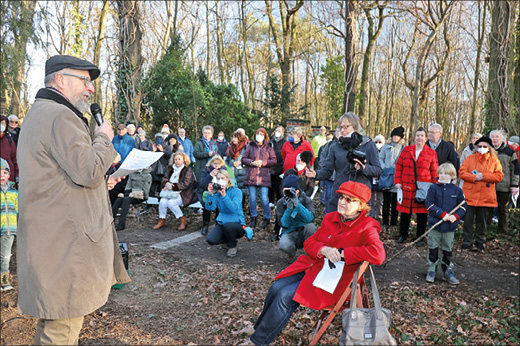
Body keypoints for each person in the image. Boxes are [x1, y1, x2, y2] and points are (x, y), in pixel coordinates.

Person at [16, 54, 129, 345]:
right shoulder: (60, 116)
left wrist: (102, 183)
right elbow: (88, 170)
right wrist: (103, 138)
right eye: (85, 81)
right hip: (63, 247)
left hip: (51, 241)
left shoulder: (39, 114)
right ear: (61, 80)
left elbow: (59, 180)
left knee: (54, 324)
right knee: (61, 331)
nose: (90, 89)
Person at [249, 181, 385, 346]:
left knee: (285, 296)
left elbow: (378, 254)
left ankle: (258, 341)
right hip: (312, 266)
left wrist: (343, 254)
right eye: (341, 197)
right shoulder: (330, 218)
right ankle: (259, 329)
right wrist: (323, 249)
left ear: (361, 206)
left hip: (333, 279)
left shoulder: (367, 226)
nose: (342, 202)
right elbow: (309, 244)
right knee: (276, 287)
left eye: (349, 200)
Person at [306, 112, 382, 213]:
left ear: (355, 126)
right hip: (340, 193)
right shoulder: (335, 146)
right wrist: (316, 173)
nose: (343, 130)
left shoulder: (368, 145)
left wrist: (364, 168)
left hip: (359, 197)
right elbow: (327, 170)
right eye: (341, 127)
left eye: (346, 127)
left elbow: (378, 170)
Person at [395, 127, 439, 245]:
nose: (419, 138)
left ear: (426, 138)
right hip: (406, 187)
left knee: (422, 215)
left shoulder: (431, 153)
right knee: (405, 213)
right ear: (414, 137)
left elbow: (434, 172)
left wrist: (435, 188)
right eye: (417, 135)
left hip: (423, 189)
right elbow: (399, 167)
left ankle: (419, 238)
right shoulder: (406, 150)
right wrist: (397, 182)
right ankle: (403, 235)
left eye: (422, 136)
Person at [424, 163, 466, 284]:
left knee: (447, 249)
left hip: (449, 227)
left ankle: (447, 269)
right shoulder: (433, 188)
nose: (442, 176)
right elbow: (429, 204)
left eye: (446, 174)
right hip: (435, 224)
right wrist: (442, 214)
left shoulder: (457, 190)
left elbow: (463, 206)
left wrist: (455, 216)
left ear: (452, 176)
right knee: (433, 248)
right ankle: (431, 269)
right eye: (441, 173)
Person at [459, 136, 503, 251]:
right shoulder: (469, 159)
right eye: (479, 146)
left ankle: (480, 241)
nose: (482, 148)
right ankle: (467, 241)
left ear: (489, 148)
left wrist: (484, 176)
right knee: (468, 221)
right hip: (470, 195)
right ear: (476, 147)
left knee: (482, 222)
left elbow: (499, 176)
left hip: (485, 196)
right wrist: (474, 177)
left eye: (484, 146)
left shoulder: (494, 161)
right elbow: (462, 173)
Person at [205, 170, 250, 258]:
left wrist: (224, 196)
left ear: (228, 179)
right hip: (222, 222)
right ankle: (226, 241)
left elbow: (234, 209)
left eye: (223, 178)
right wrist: (210, 195)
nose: (220, 180)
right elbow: (210, 208)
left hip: (237, 223)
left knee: (229, 227)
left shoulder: (236, 192)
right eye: (218, 179)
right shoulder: (217, 192)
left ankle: (232, 246)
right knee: (211, 240)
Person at [242, 128, 277, 229]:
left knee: (264, 198)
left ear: (265, 136)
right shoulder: (250, 146)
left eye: (261, 134)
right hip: (252, 176)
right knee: (252, 198)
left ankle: (267, 218)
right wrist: (251, 162)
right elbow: (244, 159)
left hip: (263, 177)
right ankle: (254, 217)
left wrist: (263, 163)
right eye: (258, 134)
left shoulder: (269, 147)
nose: (259, 136)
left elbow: (274, 160)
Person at [154, 152, 197, 231]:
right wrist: (166, 183)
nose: (177, 161)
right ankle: (161, 220)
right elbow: (164, 178)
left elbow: (186, 184)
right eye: (175, 159)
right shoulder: (170, 169)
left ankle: (183, 220)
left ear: (184, 160)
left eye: (179, 159)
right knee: (163, 201)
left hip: (184, 193)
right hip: (170, 192)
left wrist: (173, 186)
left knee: (171, 203)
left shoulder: (188, 170)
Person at [277, 175, 317, 260]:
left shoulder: (306, 200)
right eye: (285, 191)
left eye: (289, 191)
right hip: (290, 231)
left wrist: (298, 205)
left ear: (297, 191)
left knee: (311, 227)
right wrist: (289, 208)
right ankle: (291, 253)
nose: (287, 194)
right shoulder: (281, 203)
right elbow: (284, 224)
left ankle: (310, 253)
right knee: (284, 245)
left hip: (304, 230)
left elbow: (309, 218)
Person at [489, 130, 519, 234]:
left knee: (503, 210)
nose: (494, 139)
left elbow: (515, 170)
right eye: (492, 137)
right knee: (488, 210)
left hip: (504, 186)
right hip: (489, 186)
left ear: (502, 138)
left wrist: (514, 184)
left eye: (497, 136)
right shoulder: (487, 151)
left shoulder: (510, 152)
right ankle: (487, 230)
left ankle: (502, 232)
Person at [197, 155, 236, 235]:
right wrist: (210, 175)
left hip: (220, 192)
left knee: (220, 204)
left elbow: (230, 183)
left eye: (218, 163)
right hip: (208, 192)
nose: (216, 165)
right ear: (211, 164)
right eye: (215, 163)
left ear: (222, 164)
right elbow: (202, 184)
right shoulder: (206, 171)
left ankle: (218, 224)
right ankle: (205, 224)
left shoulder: (225, 171)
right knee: (207, 203)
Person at [379, 126, 404, 232]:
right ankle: (385, 222)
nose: (395, 137)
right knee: (386, 201)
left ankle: (393, 222)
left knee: (395, 202)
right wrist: (384, 168)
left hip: (397, 178)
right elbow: (380, 158)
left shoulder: (403, 148)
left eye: (397, 136)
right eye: (394, 135)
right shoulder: (385, 147)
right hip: (386, 177)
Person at [112, 167, 152, 231]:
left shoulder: (147, 175)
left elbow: (146, 190)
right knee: (119, 199)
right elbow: (128, 186)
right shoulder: (132, 174)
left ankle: (121, 224)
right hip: (130, 194)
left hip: (140, 195)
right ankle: (111, 222)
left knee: (126, 200)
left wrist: (135, 194)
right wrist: (126, 193)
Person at [0, 158, 17, 291]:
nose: (2, 175)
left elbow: (18, 210)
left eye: (5, 172)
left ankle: (4, 281)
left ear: (9, 175)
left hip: (9, 230)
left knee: (6, 256)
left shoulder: (14, 192)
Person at [225, 130, 249, 208]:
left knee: (242, 194)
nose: (233, 139)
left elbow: (249, 160)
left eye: (235, 137)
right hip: (232, 174)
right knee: (232, 194)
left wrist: (241, 162)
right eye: (232, 137)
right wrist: (228, 166)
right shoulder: (230, 148)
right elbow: (227, 160)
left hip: (242, 174)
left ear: (239, 138)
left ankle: (241, 211)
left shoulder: (246, 148)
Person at [317, 130, 338, 214]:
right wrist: (325, 169)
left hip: (342, 178)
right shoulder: (329, 146)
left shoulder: (348, 145)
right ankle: (328, 218)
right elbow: (322, 158)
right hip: (330, 177)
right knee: (329, 198)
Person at [268, 125, 287, 205]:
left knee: (278, 187)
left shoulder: (285, 143)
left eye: (279, 131)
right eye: (276, 130)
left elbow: (286, 155)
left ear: (282, 133)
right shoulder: (270, 142)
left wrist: (283, 166)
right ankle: (271, 201)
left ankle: (278, 203)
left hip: (280, 168)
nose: (277, 132)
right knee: (270, 186)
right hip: (270, 168)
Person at [369, 134, 385, 220]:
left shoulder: (384, 151)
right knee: (371, 197)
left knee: (380, 198)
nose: (378, 143)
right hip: (371, 177)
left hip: (381, 178)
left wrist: (380, 175)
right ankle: (371, 213)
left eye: (380, 142)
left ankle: (379, 214)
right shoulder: (371, 151)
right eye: (376, 142)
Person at [0, 115, 18, 182]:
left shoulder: (8, 139)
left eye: (3, 123)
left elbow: (15, 159)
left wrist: (17, 176)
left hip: (8, 178)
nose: (2, 125)